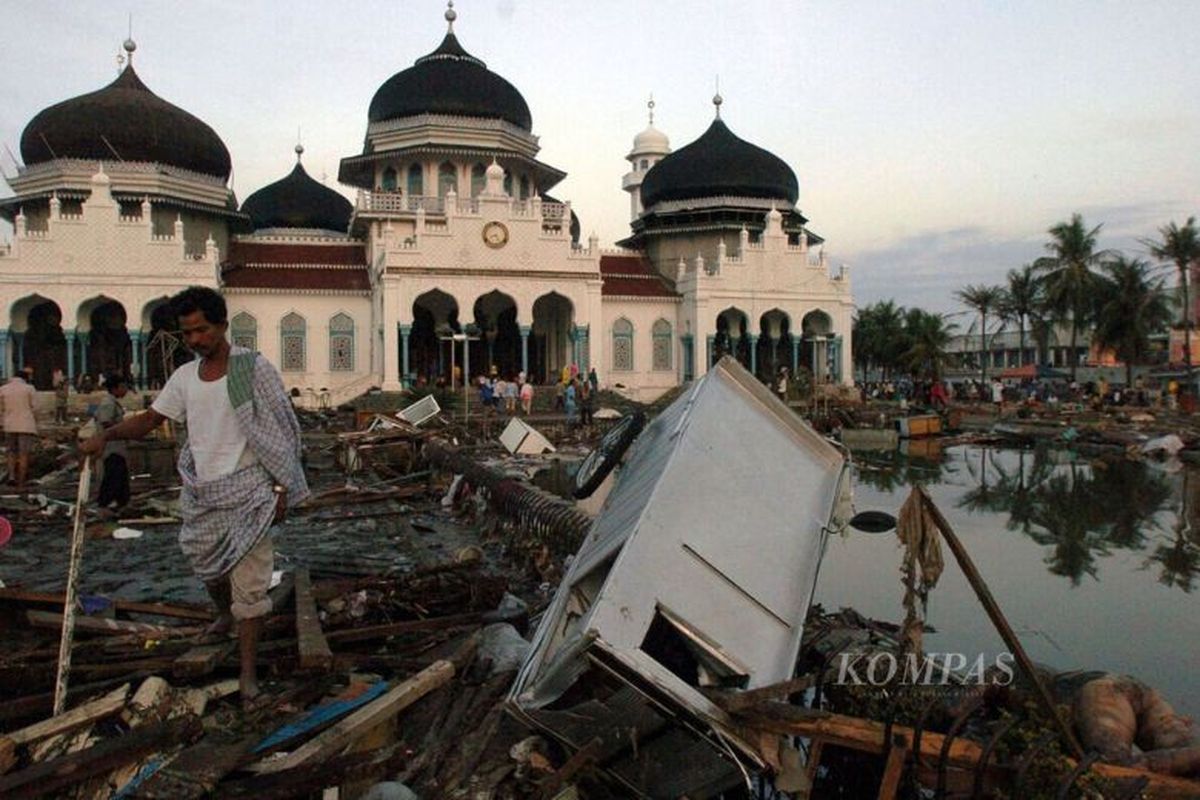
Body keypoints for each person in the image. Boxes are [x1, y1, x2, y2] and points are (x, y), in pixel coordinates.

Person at [80, 287, 308, 709]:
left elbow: (281, 429)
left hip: (251, 490)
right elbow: (151, 419)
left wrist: (280, 486)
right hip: (204, 491)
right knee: (204, 562)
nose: (196, 340)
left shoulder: (250, 368)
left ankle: (248, 676)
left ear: (222, 325)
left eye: (202, 330)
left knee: (251, 589)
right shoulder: (185, 378)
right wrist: (107, 434)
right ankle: (223, 615)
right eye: (188, 334)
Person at [94, 373, 131, 510]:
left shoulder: (113, 402)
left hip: (117, 447)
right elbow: (106, 423)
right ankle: (105, 502)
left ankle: (122, 503)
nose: (126, 390)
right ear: (116, 388)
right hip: (111, 447)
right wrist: (124, 430)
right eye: (124, 387)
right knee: (113, 476)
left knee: (120, 476)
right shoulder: (108, 403)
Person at [1, 366, 39, 489]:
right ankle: (21, 481)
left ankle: (11, 476)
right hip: (26, 425)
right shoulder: (29, 388)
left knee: (11, 452)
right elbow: (36, 407)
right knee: (24, 454)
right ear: (25, 378)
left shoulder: (3, 389)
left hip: (9, 424)